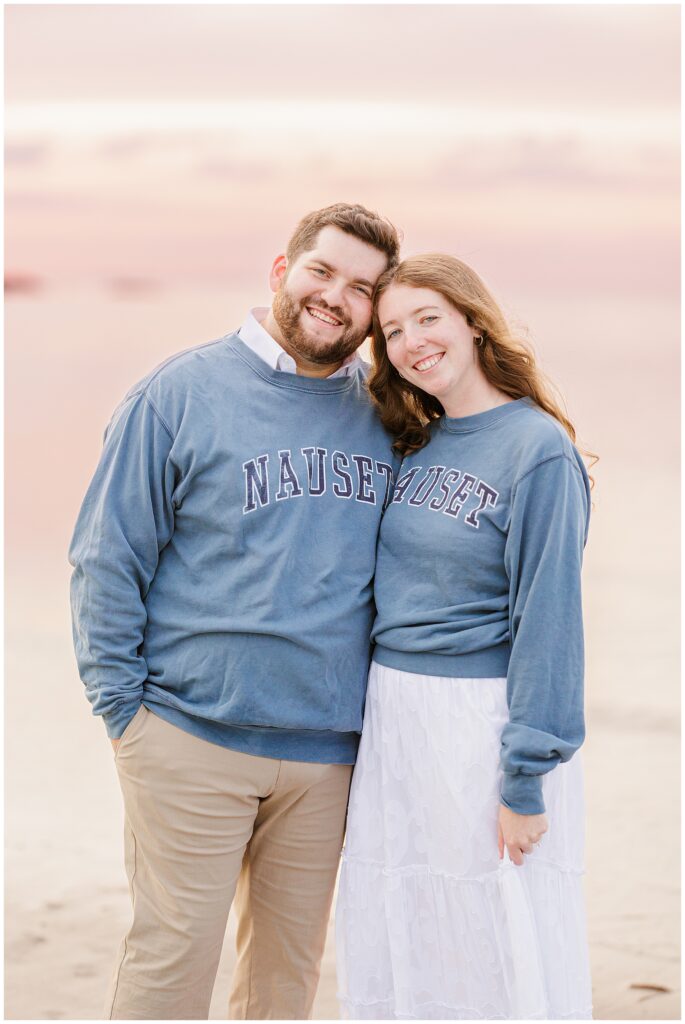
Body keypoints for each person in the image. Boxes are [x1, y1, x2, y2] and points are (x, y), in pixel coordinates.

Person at [68, 202, 401, 1020]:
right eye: (322, 271)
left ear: (374, 311)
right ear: (282, 270)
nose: (335, 297)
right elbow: (106, 559)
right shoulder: (179, 393)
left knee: (285, 983)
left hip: (326, 755)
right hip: (189, 736)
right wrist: (124, 712)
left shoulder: (388, 414)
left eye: (361, 288)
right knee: (171, 965)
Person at [336, 254, 594, 1020]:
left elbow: (549, 623)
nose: (412, 341)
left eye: (427, 318)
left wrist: (523, 778)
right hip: (394, 721)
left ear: (472, 321)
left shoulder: (537, 450)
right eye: (391, 331)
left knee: (492, 932)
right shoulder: (419, 442)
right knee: (401, 919)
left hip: (475, 726)